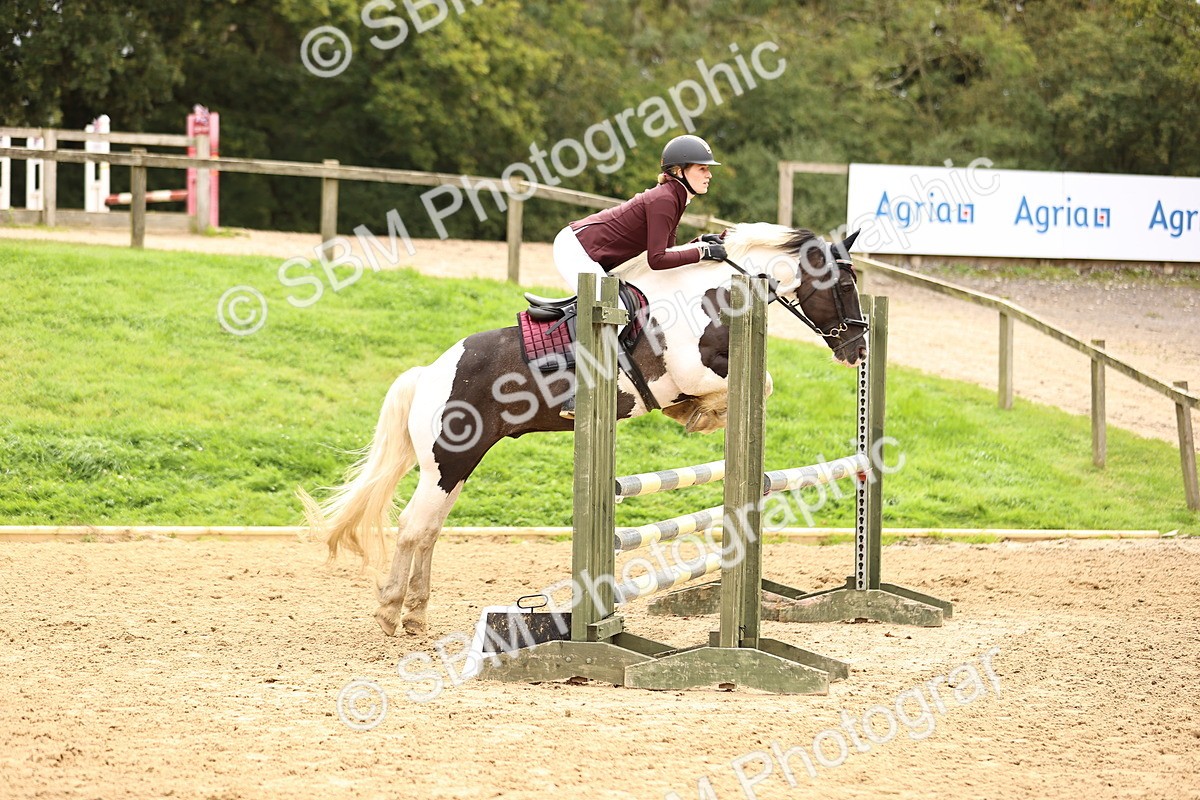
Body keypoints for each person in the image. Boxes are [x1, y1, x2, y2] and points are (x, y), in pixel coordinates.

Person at [552, 134, 727, 418]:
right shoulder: (665, 199)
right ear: (679, 171)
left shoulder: (674, 196)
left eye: (708, 169)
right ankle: (579, 390)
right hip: (576, 249)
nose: (709, 175)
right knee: (615, 309)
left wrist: (698, 245)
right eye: (702, 168)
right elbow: (657, 260)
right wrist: (703, 253)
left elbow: (666, 252)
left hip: (593, 252)